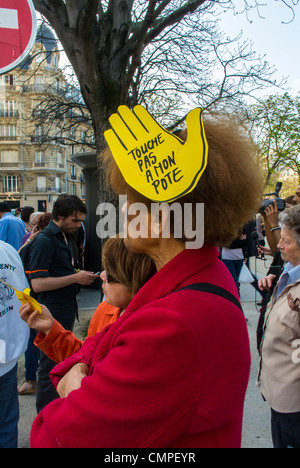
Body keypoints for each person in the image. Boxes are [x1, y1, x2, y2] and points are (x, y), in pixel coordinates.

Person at [26, 108, 262, 448]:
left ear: (163, 216)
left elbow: (51, 437)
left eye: (132, 200)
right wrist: (78, 372)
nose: (123, 211)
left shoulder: (174, 322)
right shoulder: (189, 285)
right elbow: (98, 346)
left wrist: (76, 383)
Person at [20, 236, 157, 363]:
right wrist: (50, 328)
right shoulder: (105, 309)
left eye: (112, 273)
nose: (102, 275)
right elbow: (86, 357)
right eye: (104, 269)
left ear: (137, 280)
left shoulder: (153, 329)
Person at [26, 195, 98, 412]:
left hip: (64, 309)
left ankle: (54, 416)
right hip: (52, 311)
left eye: (80, 221)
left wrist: (76, 274)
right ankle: (46, 421)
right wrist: (75, 278)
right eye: (75, 221)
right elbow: (38, 283)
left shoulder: (66, 237)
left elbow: (57, 272)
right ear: (59, 216)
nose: (78, 225)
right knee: (49, 368)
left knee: (58, 363)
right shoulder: (45, 240)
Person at [257, 205, 300, 448]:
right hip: (280, 398)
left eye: (286, 241)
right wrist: (276, 282)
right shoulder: (289, 270)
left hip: (293, 405)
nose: (279, 246)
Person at [17, 212, 52, 395]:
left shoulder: (33, 240)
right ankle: (31, 379)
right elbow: (19, 258)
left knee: (34, 338)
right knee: (33, 338)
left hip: (32, 293)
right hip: (34, 294)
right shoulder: (36, 241)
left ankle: (31, 378)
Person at [0, 241, 29, 448]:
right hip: (7, 354)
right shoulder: (7, 250)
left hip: (7, 356)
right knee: (7, 424)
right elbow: (23, 294)